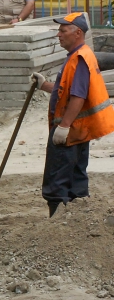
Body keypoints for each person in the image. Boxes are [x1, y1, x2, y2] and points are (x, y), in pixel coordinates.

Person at [31, 12, 114, 219]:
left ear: (77, 33)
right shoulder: (80, 55)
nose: (58, 35)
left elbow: (78, 95)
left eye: (63, 30)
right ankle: (79, 221)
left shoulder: (79, 59)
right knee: (76, 177)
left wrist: (64, 126)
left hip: (69, 133)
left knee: (57, 181)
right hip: (79, 131)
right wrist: (44, 85)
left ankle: (58, 224)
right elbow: (65, 90)